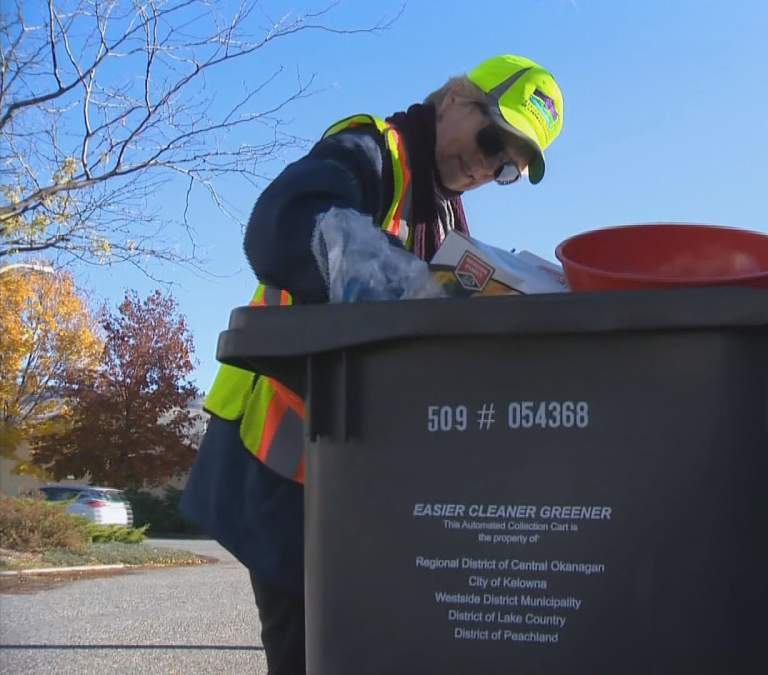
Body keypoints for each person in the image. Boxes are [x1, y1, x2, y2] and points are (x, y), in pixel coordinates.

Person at [181, 54, 564, 674]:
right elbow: (283, 224)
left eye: (508, 167)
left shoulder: (444, 219)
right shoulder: (372, 153)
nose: (489, 165)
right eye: (493, 138)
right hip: (280, 468)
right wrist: (387, 275)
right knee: (309, 654)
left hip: (350, 483)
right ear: (453, 100)